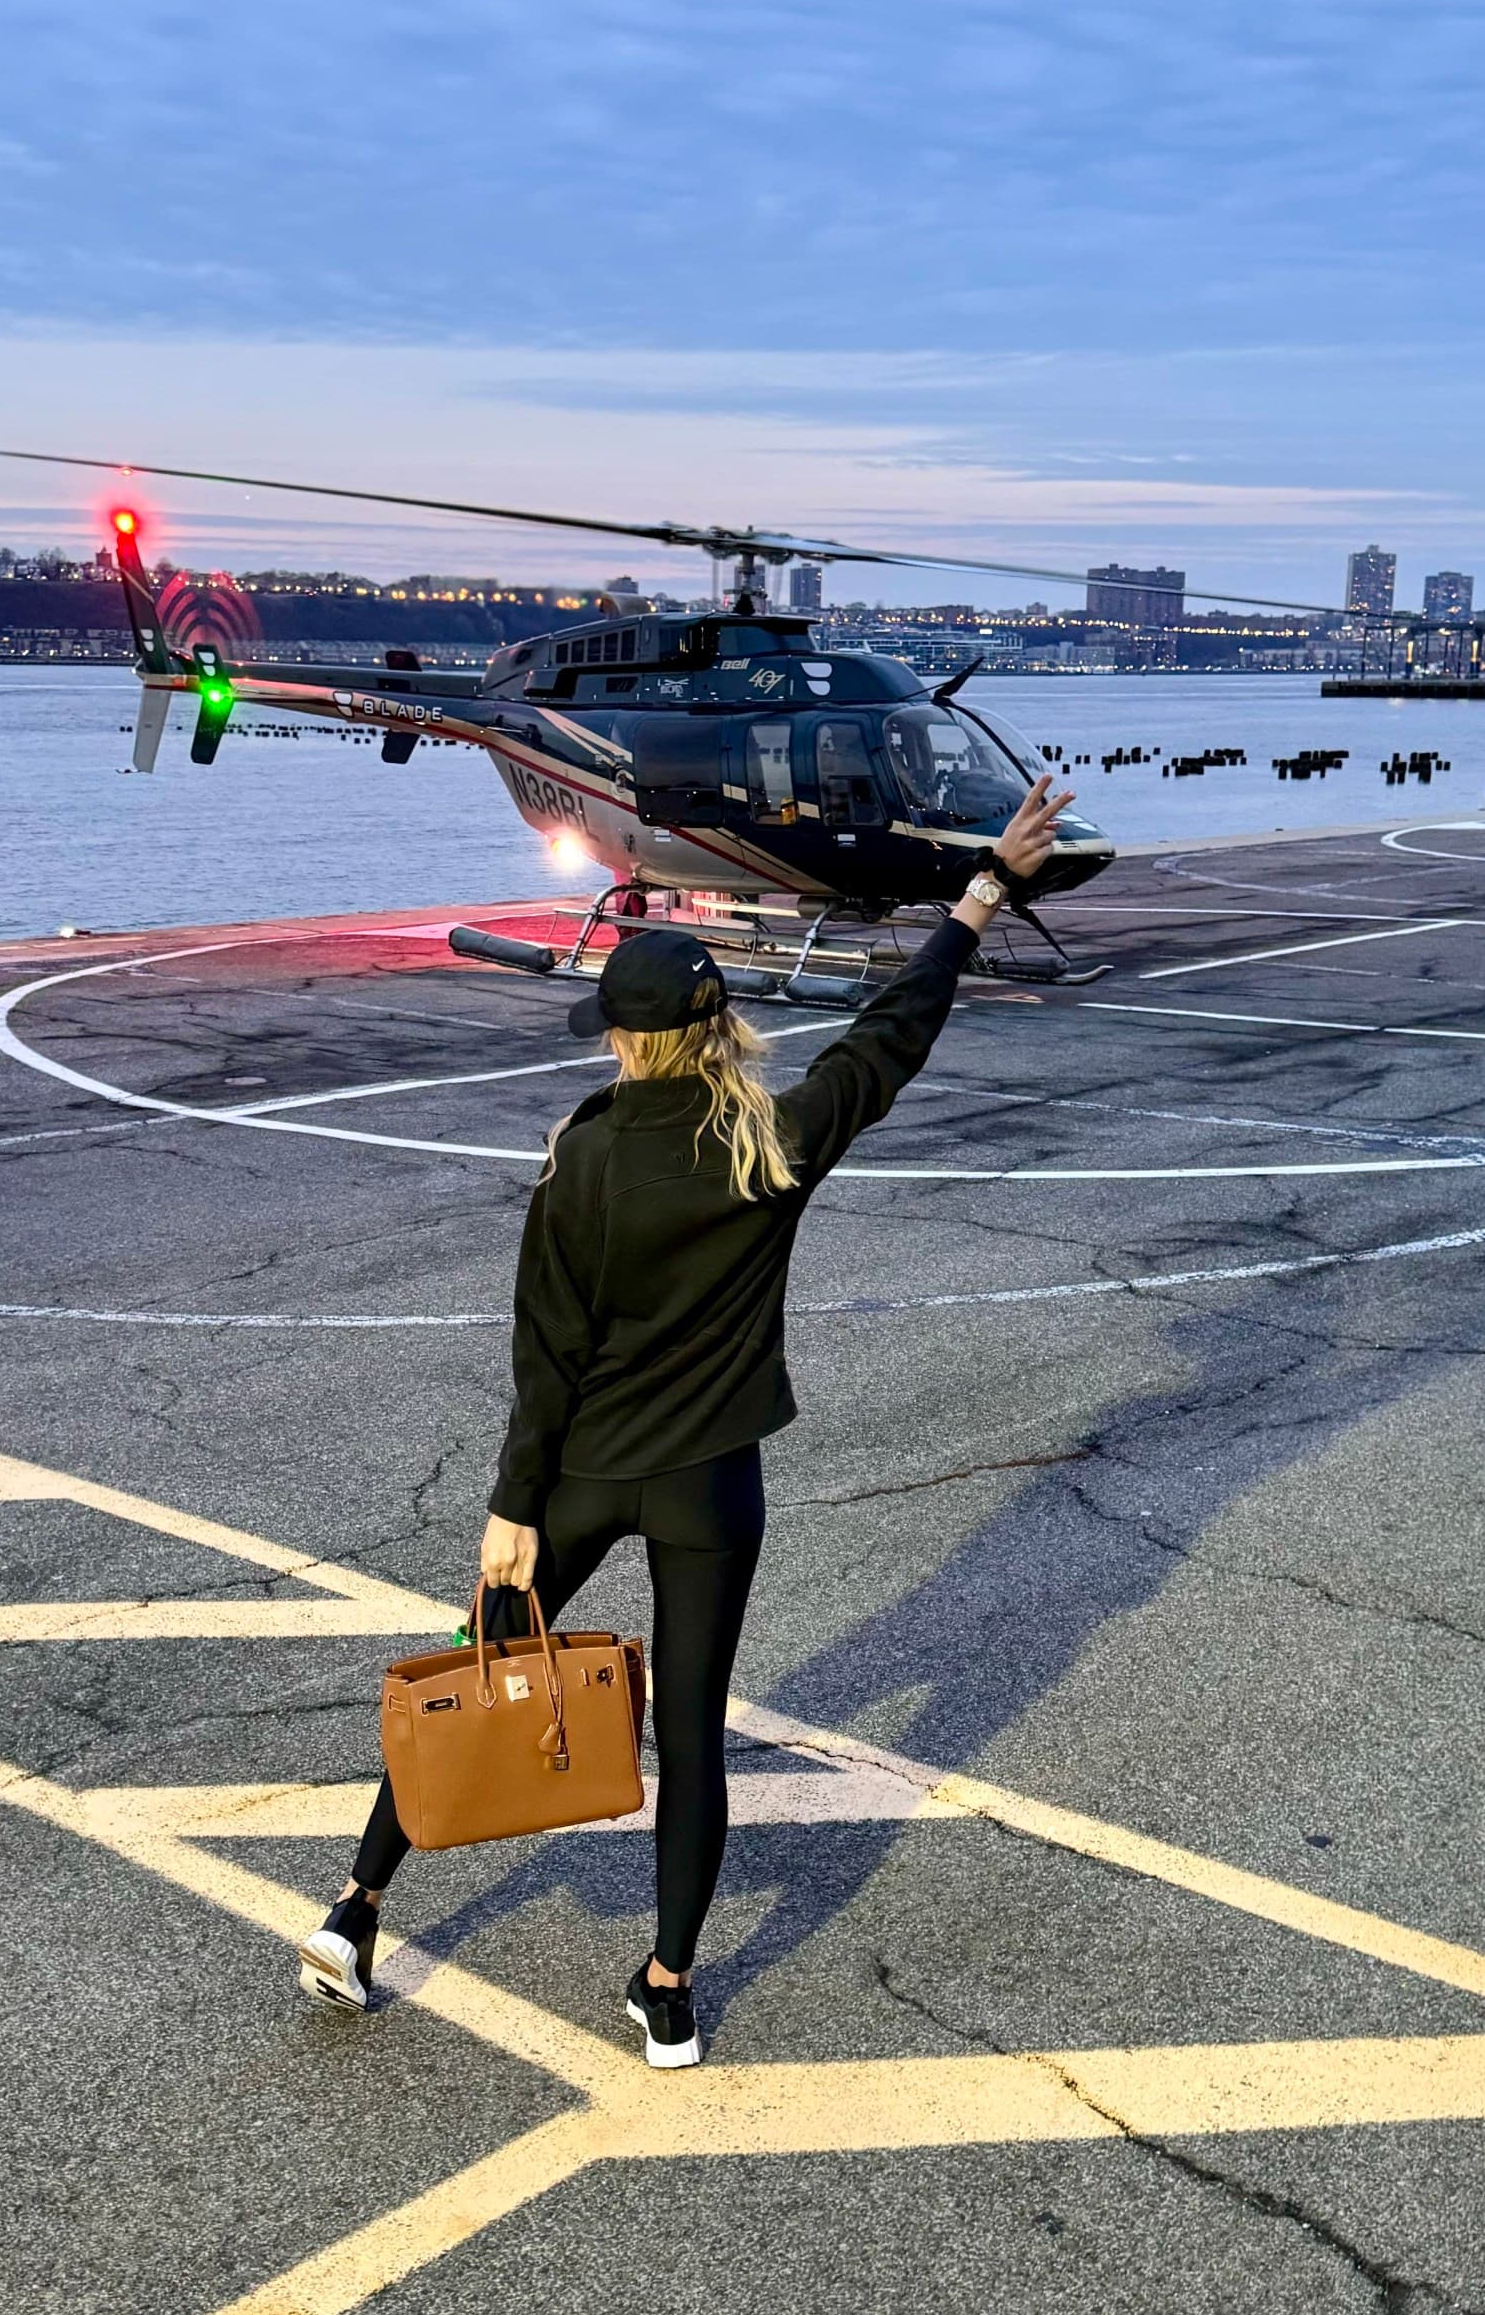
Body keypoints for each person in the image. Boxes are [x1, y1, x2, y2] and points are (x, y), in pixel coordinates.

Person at [299, 774, 1076, 2064]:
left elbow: (546, 1354)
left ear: (620, 1039)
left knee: (472, 1671)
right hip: (711, 1478)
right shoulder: (768, 1143)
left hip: (585, 1472)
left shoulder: (583, 1156)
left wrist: (512, 1511)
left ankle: (357, 1907)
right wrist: (982, 894)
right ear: (719, 1027)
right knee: (696, 1733)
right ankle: (665, 1990)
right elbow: (889, 1037)